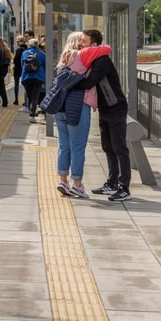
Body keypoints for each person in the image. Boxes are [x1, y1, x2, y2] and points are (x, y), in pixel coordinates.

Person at [50, 32, 111, 199]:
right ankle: (77, 184)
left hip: (60, 107)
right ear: (78, 43)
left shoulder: (64, 57)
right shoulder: (81, 55)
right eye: (82, 41)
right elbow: (106, 48)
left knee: (64, 145)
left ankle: (63, 180)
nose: (85, 44)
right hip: (77, 107)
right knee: (77, 146)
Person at [80, 29, 133, 202]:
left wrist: (69, 79)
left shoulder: (101, 61)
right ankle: (111, 184)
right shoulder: (94, 59)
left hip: (116, 108)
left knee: (119, 148)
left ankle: (124, 188)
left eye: (84, 41)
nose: (81, 44)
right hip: (106, 109)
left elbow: (89, 82)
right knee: (108, 147)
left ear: (94, 44)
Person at [19, 38, 46, 123]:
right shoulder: (42, 54)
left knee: (30, 95)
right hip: (38, 77)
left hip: (26, 77)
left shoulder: (24, 53)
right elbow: (45, 66)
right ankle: (32, 114)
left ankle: (32, 110)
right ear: (37, 45)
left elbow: (22, 64)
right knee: (35, 96)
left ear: (29, 45)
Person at [12, 35, 27, 105]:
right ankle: (26, 101)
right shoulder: (27, 49)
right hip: (25, 69)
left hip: (18, 69)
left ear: (21, 41)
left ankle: (16, 100)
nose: (17, 43)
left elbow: (15, 60)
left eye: (18, 41)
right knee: (26, 85)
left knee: (16, 85)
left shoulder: (19, 50)